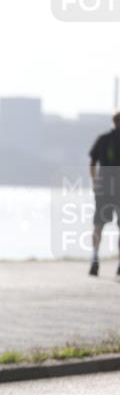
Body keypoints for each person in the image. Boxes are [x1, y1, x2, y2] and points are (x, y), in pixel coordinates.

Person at [88, 112, 120, 277]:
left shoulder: (102, 139)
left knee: (98, 225)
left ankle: (94, 259)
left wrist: (95, 183)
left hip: (104, 187)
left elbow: (92, 163)